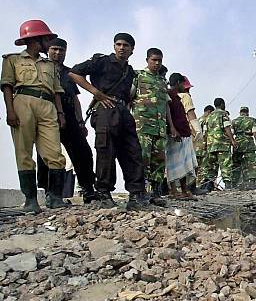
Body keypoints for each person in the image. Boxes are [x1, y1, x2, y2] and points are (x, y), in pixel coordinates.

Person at [69, 32, 149, 210]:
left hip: (123, 111)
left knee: (133, 151)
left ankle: (136, 195)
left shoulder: (129, 72)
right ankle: (104, 193)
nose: (122, 48)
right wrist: (96, 93)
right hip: (105, 109)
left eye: (126, 45)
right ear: (114, 46)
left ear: (132, 50)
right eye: (119, 44)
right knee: (106, 151)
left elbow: (128, 95)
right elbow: (74, 73)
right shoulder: (101, 61)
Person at [1, 20, 68, 213]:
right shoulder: (12, 60)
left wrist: (61, 113)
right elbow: (7, 86)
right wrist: (10, 110)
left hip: (48, 105)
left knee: (54, 153)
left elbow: (56, 91)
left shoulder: (50, 65)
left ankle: (55, 198)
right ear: (35, 39)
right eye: (46, 38)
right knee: (24, 152)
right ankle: (31, 201)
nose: (49, 42)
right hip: (23, 101)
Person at [35, 37, 97, 204]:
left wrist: (80, 121)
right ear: (48, 50)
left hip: (69, 115)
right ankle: (50, 192)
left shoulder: (70, 73)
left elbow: (75, 99)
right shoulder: (39, 68)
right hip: (46, 115)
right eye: (54, 49)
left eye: (61, 50)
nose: (57, 53)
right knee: (46, 156)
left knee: (83, 152)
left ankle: (88, 189)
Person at [132, 48, 171, 206]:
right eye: (154, 60)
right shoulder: (139, 76)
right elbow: (129, 97)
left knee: (159, 161)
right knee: (143, 158)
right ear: (147, 60)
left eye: (159, 61)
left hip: (160, 127)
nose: (157, 63)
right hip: (143, 126)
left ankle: (156, 193)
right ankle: (140, 192)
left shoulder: (162, 81)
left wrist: (171, 126)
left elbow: (166, 106)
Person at [169, 73, 205, 195]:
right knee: (186, 161)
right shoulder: (185, 96)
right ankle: (188, 189)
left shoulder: (168, 95)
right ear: (180, 83)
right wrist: (198, 130)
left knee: (172, 162)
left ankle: (173, 189)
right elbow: (191, 114)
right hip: (184, 132)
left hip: (171, 132)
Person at [204, 97, 237, 191]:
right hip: (222, 144)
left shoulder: (209, 116)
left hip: (211, 145)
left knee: (211, 168)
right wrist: (232, 140)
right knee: (226, 165)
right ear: (222, 104)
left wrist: (206, 145)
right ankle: (228, 187)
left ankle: (208, 187)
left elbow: (205, 132)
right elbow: (227, 128)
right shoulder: (223, 114)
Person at [232, 106, 256, 186]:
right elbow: (255, 133)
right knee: (251, 163)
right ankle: (251, 182)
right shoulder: (252, 120)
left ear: (240, 112)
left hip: (238, 143)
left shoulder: (234, 121)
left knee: (236, 164)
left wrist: (232, 142)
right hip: (249, 143)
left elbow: (231, 133)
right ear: (247, 112)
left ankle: (234, 183)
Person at [195, 105, 214, 191]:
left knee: (196, 168)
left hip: (195, 148)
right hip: (203, 147)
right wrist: (207, 145)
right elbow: (205, 133)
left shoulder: (198, 120)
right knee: (203, 169)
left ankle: (194, 186)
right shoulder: (206, 121)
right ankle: (200, 187)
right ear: (209, 112)